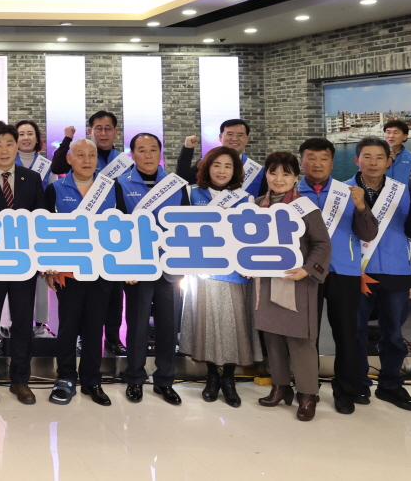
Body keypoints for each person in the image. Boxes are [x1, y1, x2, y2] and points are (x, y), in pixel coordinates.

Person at [297, 137, 377, 415]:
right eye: (311, 157)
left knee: (346, 334)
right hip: (305, 273)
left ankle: (346, 390)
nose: (317, 163)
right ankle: (308, 389)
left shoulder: (349, 193)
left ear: (332, 162)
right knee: (307, 336)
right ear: (301, 162)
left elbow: (368, 234)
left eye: (324, 158)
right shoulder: (292, 194)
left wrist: (362, 207)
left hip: (344, 272)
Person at [0, 121, 46, 405]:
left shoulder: (32, 178)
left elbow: (41, 218)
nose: (4, 150)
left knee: (23, 322)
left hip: (24, 263)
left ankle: (20, 379)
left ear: (17, 147)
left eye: (9, 144)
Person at [178, 146, 258, 409]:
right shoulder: (191, 193)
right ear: (207, 167)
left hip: (234, 272)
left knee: (233, 326)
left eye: (228, 166)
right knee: (206, 324)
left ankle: (229, 379)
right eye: (216, 165)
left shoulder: (245, 199)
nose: (222, 171)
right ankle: (212, 376)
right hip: (202, 273)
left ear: (235, 171)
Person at [352, 137, 411, 412]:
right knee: (355, 332)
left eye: (379, 157)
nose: (373, 163)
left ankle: (391, 384)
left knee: (393, 333)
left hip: (396, 271)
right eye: (367, 156)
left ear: (389, 161)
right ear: (357, 160)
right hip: (356, 272)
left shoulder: (402, 190)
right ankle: (358, 382)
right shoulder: (344, 191)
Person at [254, 151, 331, 422]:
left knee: (300, 340)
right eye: (273, 172)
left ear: (296, 177)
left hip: (297, 281)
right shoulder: (256, 205)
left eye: (285, 173)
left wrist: (307, 270)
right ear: (265, 175)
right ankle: (280, 386)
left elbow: (322, 244)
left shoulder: (304, 207)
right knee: (272, 337)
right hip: (265, 281)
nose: (278, 179)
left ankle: (308, 394)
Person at [115, 132, 190, 406]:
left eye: (153, 149)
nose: (148, 155)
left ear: (160, 152)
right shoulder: (120, 184)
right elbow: (118, 229)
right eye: (141, 150)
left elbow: (185, 226)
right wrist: (126, 266)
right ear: (132, 154)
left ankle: (165, 380)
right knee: (136, 325)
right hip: (138, 268)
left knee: (169, 326)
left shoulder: (176, 185)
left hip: (170, 267)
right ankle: (134, 378)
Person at [44, 138, 119, 407]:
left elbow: (124, 227)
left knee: (94, 327)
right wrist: (48, 268)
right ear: (69, 159)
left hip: (101, 270)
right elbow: (45, 230)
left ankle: (91, 379)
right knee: (67, 327)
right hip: (68, 273)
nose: (87, 160)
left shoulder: (111, 187)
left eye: (92, 155)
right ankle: (65, 377)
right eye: (80, 155)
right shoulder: (55, 189)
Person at [16, 119, 55, 338]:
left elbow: (52, 194)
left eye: (30, 133)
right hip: (13, 228)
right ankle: (12, 323)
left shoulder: (47, 165)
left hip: (39, 227)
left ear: (37, 138)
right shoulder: (6, 162)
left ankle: (41, 322)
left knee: (40, 276)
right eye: (21, 134)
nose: (26, 138)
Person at [176, 119, 264, 197]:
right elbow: (183, 179)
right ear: (220, 137)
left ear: (247, 139)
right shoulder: (205, 163)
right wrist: (187, 149)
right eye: (230, 134)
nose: (234, 138)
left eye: (240, 135)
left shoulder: (258, 171)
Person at [51, 111, 128, 178]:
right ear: (90, 132)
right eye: (99, 128)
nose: (103, 133)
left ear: (115, 132)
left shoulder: (124, 162)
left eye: (108, 128)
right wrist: (67, 138)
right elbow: (56, 168)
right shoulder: (80, 158)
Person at [383, 119, 411, 191]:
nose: (391, 136)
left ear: (405, 137)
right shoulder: (374, 155)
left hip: (404, 195)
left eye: (395, 133)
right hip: (378, 195)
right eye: (388, 132)